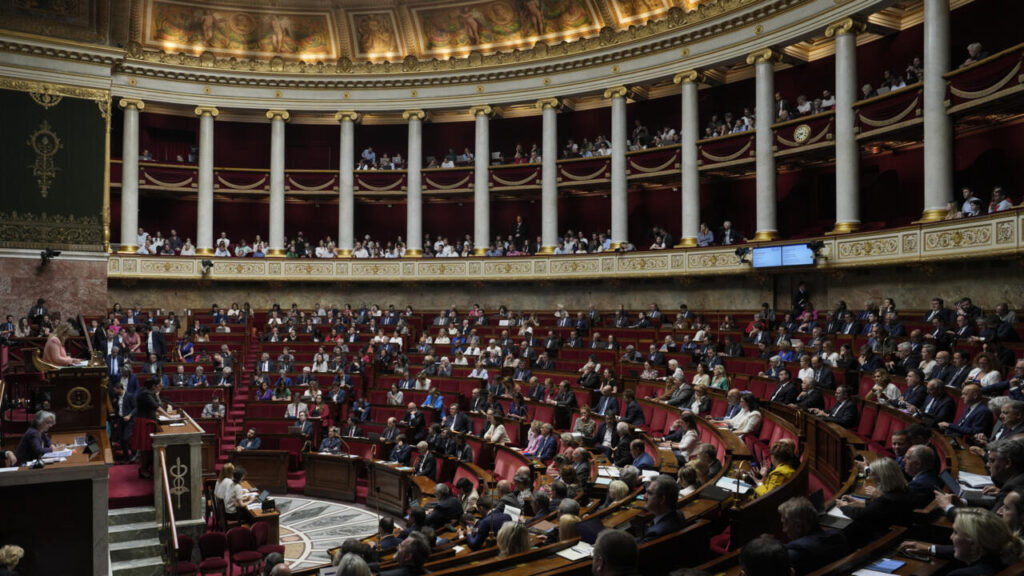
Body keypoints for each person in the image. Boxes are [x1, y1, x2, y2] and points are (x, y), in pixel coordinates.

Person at [839, 457, 915, 546]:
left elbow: (859, 515)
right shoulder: (906, 489)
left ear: (882, 477)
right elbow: (882, 508)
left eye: (873, 474)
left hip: (880, 539)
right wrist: (861, 503)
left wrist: (843, 506)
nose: (870, 477)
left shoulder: (886, 499)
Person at [778, 496, 849, 576]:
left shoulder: (793, 556)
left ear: (798, 526)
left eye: (784, 524)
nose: (784, 530)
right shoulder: (838, 537)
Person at [638, 475, 685, 543]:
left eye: (649, 493)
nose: (644, 496)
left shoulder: (656, 533)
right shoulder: (678, 514)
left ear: (662, 499)